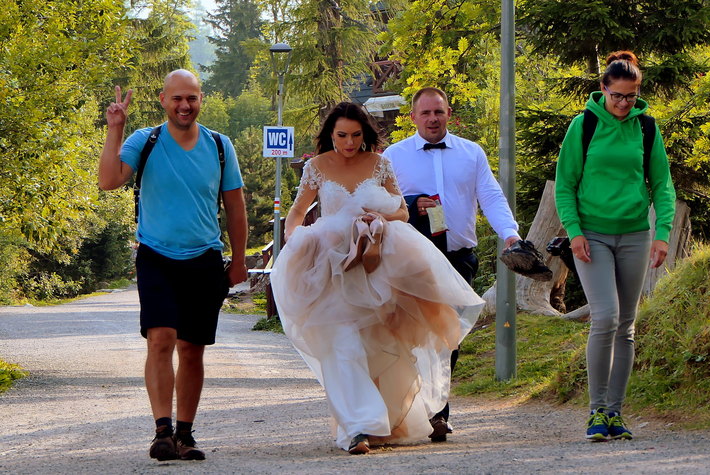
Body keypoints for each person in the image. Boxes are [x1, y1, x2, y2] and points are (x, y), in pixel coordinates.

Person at [270, 102, 484, 455]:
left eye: (355, 135)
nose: (349, 143)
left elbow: (401, 209)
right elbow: (296, 211)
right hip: (334, 266)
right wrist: (297, 241)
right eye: (341, 136)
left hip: (379, 260)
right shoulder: (316, 167)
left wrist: (378, 218)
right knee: (343, 343)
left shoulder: (381, 164)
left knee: (379, 344)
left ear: (364, 134)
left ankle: (383, 421)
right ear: (330, 134)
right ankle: (357, 427)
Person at [98, 69, 248, 461]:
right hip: (157, 255)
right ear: (163, 100)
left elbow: (235, 206)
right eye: (177, 98)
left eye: (192, 98)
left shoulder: (219, 146)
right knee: (161, 339)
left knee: (193, 349)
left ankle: (185, 434)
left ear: (201, 100)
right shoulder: (143, 140)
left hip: (204, 258)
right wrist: (115, 128)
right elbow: (109, 180)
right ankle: (162, 431)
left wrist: (239, 259)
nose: (185, 106)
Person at [382, 87, 524, 442]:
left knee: (449, 336)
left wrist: (509, 233)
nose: (433, 119)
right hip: (411, 257)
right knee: (411, 336)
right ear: (413, 117)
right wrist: (412, 203)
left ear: (449, 114)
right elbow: (380, 203)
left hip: (458, 257)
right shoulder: (393, 156)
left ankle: (437, 412)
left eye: (439, 112)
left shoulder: (470, 153)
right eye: (426, 113)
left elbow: (490, 195)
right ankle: (409, 408)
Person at [554, 51, 676, 442]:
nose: (623, 104)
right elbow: (565, 184)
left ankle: (615, 413)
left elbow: (662, 184)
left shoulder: (647, 128)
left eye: (631, 96)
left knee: (626, 325)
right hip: (592, 236)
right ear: (603, 89)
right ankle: (595, 412)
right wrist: (574, 232)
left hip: (636, 235)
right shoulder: (584, 125)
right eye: (617, 96)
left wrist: (662, 233)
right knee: (605, 317)